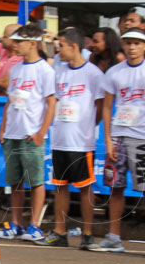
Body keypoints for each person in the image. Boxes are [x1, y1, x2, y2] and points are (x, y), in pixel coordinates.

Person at [90, 29, 145, 254]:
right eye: (128, 43)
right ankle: (114, 237)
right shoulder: (114, 72)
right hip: (118, 137)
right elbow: (106, 107)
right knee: (115, 186)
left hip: (142, 138)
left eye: (137, 43)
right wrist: (108, 138)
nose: (132, 47)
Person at [34, 28, 105, 249]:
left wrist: (88, 125)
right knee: (60, 187)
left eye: (62, 45)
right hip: (60, 139)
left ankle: (88, 233)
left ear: (73, 47)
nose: (58, 50)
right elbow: (53, 101)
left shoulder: (94, 74)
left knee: (85, 188)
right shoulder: (59, 71)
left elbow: (101, 106)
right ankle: (59, 231)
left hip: (81, 141)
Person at [0, 25, 56, 242]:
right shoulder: (17, 69)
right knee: (15, 182)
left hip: (31, 134)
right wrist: (3, 129)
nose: (15, 45)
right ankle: (16, 223)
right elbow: (10, 101)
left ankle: (35, 225)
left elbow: (51, 103)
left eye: (19, 41)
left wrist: (41, 133)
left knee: (36, 181)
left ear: (33, 43)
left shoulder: (45, 70)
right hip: (13, 133)